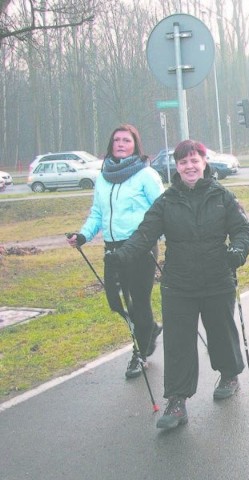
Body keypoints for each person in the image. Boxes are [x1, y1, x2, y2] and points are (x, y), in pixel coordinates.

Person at [105, 139, 249, 430]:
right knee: (178, 343)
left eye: (194, 160)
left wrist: (238, 251)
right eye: (183, 162)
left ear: (204, 162)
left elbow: (242, 230)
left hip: (217, 278)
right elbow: (144, 234)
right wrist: (121, 255)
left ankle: (229, 374)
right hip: (178, 283)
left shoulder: (223, 196)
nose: (189, 166)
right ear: (177, 167)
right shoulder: (167, 200)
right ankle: (177, 401)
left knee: (221, 332)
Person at [67, 124, 164, 379]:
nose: (120, 144)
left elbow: (162, 209)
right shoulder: (103, 177)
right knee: (116, 301)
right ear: (111, 145)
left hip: (139, 247)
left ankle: (140, 353)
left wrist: (168, 240)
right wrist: (83, 235)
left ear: (135, 145)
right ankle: (150, 329)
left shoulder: (146, 175)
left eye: (126, 140)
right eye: (117, 140)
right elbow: (98, 213)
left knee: (137, 300)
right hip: (112, 249)